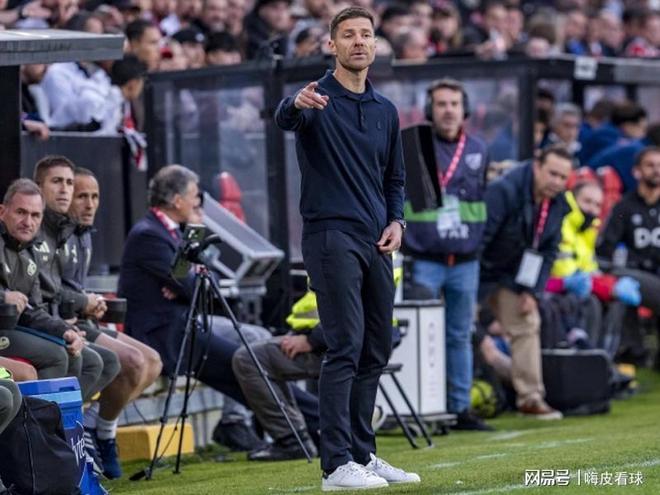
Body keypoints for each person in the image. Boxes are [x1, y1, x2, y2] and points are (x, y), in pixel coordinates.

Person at [275, 6, 418, 491]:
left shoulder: (385, 110)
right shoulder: (315, 98)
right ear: (331, 45)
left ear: (375, 45)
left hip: (378, 239)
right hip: (331, 236)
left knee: (376, 346)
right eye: (349, 35)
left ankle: (362, 453)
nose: (358, 42)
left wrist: (397, 221)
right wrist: (294, 104)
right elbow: (286, 117)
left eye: (366, 35)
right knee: (345, 345)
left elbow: (395, 179)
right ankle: (335, 465)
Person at [117, 164, 320, 451]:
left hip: (185, 324)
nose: (198, 202)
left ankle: (306, 427)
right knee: (247, 364)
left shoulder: (172, 232)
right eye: (194, 196)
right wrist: (189, 282)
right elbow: (193, 286)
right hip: (165, 335)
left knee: (253, 351)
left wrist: (188, 279)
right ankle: (311, 424)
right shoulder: (148, 235)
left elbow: (203, 282)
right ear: (177, 200)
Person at [62, 167, 163, 479]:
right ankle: (99, 434)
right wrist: (83, 302)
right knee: (132, 361)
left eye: (94, 197)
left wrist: (92, 302)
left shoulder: (84, 235)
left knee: (153, 362)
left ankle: (98, 426)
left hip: (83, 318)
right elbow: (52, 292)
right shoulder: (57, 235)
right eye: (82, 196)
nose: (90, 204)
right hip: (65, 323)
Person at [403, 78, 491, 431]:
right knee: (424, 335)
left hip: (465, 260)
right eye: (441, 104)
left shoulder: (479, 148)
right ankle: (428, 406)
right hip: (424, 258)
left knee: (459, 334)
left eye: (454, 104)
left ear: (464, 109)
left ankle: (460, 408)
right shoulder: (414, 145)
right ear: (429, 110)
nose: (448, 110)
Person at [480, 144, 573, 420]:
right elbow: (480, 240)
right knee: (458, 328)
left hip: (514, 275)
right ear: (536, 167)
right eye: (552, 173)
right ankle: (455, 403)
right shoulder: (504, 190)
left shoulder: (559, 204)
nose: (556, 182)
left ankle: (530, 398)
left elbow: (548, 252)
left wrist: (532, 291)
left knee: (528, 321)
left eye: (562, 177)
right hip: (480, 270)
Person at [0, 179, 87, 384]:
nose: (28, 222)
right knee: (56, 357)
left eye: (35, 215)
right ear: (2, 212)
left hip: (11, 329)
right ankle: (33, 407)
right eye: (21, 212)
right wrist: (3, 297)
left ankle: (62, 408)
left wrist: (65, 330)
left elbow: (34, 310)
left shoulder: (31, 252)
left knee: (72, 352)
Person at [597, 147, 660, 365]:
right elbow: (605, 249)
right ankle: (632, 351)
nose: (656, 170)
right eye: (650, 165)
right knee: (624, 285)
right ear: (636, 171)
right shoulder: (624, 207)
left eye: (659, 166)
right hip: (634, 275)